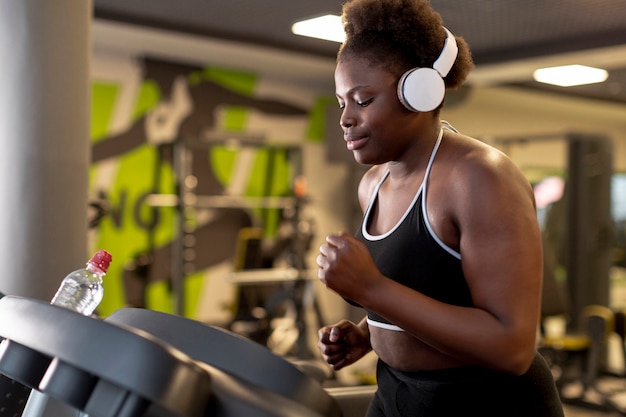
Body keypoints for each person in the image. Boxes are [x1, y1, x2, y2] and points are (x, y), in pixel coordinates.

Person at [316, 0, 564, 415]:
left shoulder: (480, 178)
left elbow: (512, 347)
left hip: (485, 403)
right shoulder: (372, 185)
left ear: (420, 93)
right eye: (342, 102)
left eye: (362, 99)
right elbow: (428, 287)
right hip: (398, 393)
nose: (345, 118)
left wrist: (371, 289)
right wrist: (371, 330)